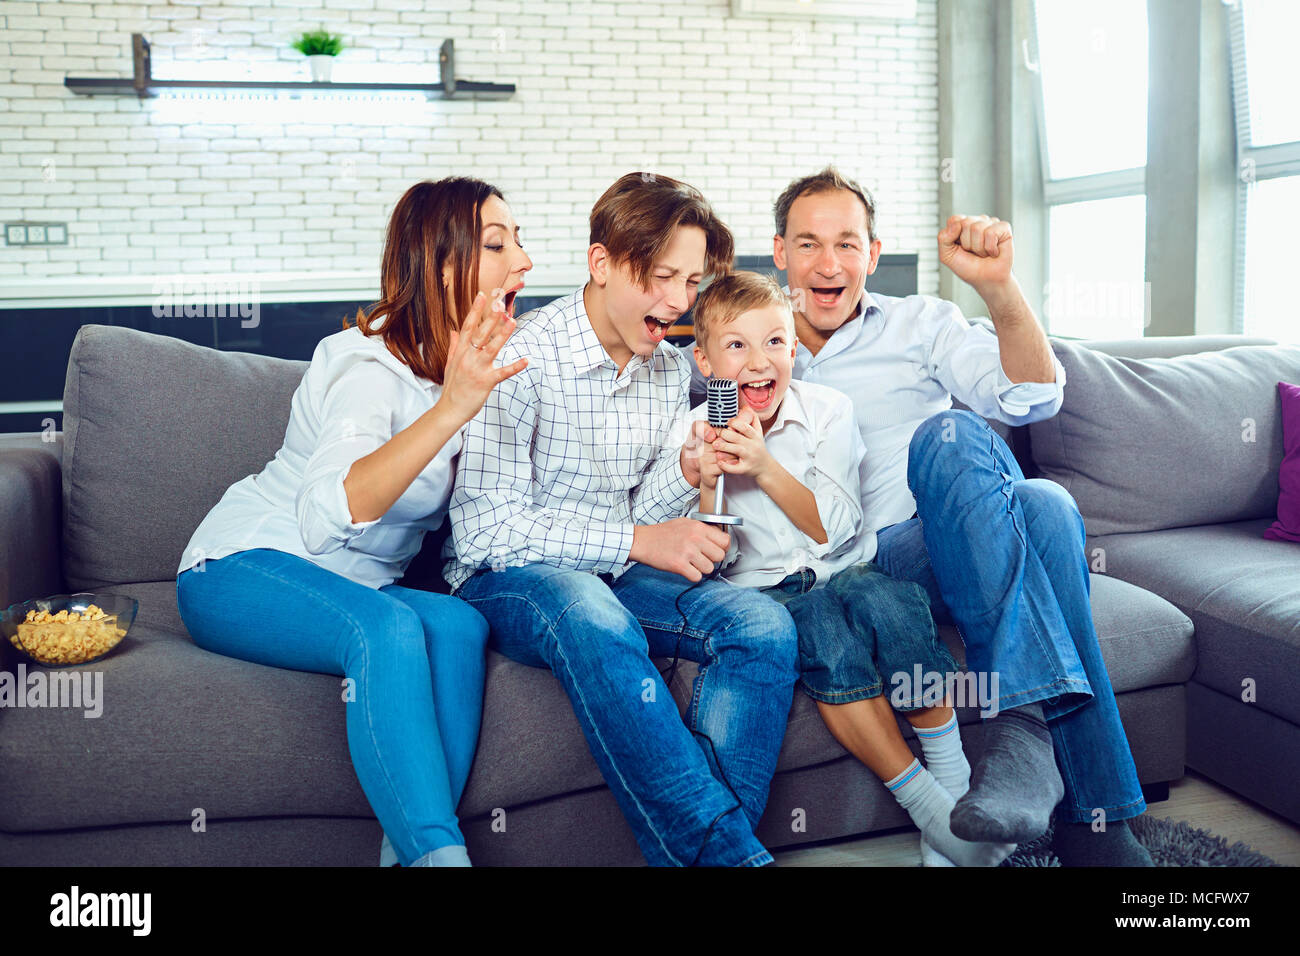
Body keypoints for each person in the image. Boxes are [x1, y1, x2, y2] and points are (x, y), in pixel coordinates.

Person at [734, 165, 1152, 866]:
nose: (828, 264)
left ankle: (1043, 761)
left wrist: (998, 289)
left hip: (955, 535)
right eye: (807, 244)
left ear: (873, 252)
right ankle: (1088, 812)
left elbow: (1030, 398)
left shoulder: (920, 323)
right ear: (779, 253)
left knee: (983, 461)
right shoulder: (747, 350)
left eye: (847, 243)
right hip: (879, 566)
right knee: (1045, 512)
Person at [445, 173, 800, 867]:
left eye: (692, 282)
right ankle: (730, 858)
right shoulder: (520, 357)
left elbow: (642, 507)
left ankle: (706, 847)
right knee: (586, 606)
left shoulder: (669, 371)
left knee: (763, 625)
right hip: (509, 580)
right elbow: (486, 532)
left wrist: (688, 473)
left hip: (617, 574)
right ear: (601, 264)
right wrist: (640, 541)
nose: (678, 302)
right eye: (659, 275)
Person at [175, 177, 532, 867]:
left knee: (459, 624)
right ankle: (440, 857)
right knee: (388, 628)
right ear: (441, 265)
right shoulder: (365, 366)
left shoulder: (468, 378)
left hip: (356, 581)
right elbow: (325, 515)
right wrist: (452, 410)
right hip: (242, 564)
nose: (522, 261)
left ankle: (405, 852)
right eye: (497, 244)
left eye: (520, 241)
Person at [685, 270, 1013, 866]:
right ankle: (933, 814)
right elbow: (714, 556)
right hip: (768, 590)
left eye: (777, 341)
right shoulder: (691, 433)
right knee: (824, 637)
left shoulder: (828, 408)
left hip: (844, 565)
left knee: (892, 606)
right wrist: (710, 485)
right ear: (704, 363)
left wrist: (762, 466)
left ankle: (953, 773)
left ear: (794, 348)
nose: (760, 361)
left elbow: (835, 526)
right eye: (736, 345)